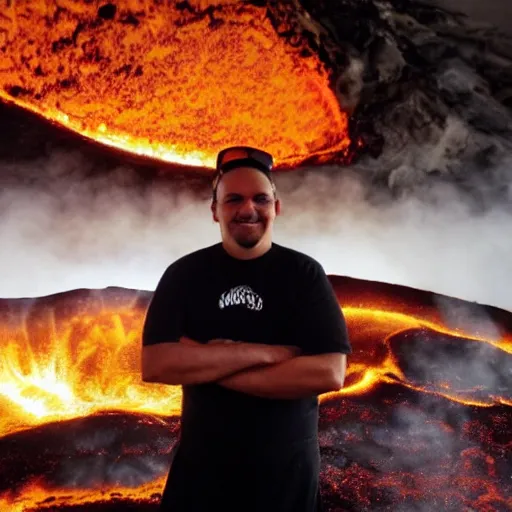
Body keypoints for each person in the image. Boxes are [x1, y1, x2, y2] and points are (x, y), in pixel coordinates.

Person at [141, 146, 352, 512]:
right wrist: (262, 354)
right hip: (202, 478)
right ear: (214, 210)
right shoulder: (185, 275)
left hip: (286, 481)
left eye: (260, 199)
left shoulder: (304, 276)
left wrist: (209, 363)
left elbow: (329, 373)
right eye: (233, 199)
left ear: (277, 207)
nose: (247, 209)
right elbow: (157, 364)